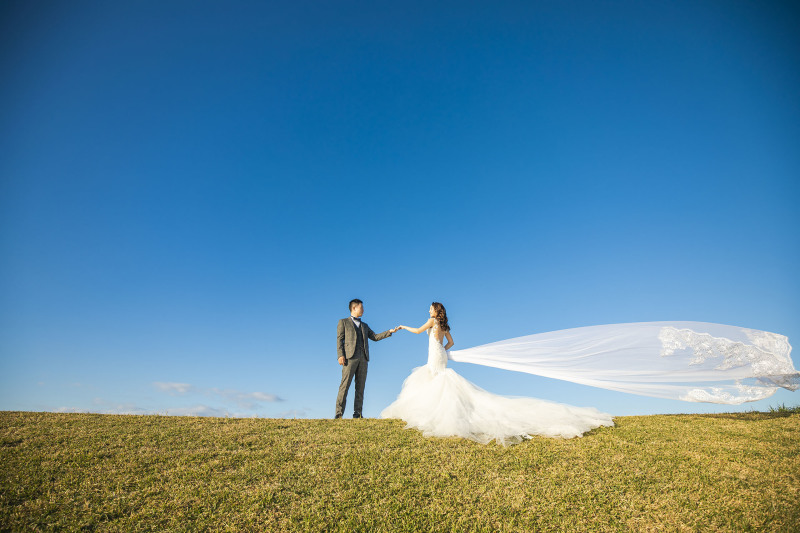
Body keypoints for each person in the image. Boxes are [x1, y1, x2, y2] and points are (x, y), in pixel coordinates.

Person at [381, 302, 614, 444]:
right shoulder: (444, 327)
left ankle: (430, 413)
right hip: (440, 354)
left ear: (435, 311)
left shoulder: (431, 322)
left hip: (435, 355)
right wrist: (442, 349)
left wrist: (402, 326)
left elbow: (417, 331)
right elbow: (451, 342)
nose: (429, 310)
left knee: (431, 381)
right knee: (437, 380)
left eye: (431, 308)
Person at [335, 299, 399, 419]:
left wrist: (390, 332)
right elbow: (340, 340)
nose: (363, 310)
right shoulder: (343, 322)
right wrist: (340, 355)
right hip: (349, 358)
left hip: (363, 358)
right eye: (361, 308)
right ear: (354, 308)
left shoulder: (365, 325)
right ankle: (339, 414)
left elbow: (374, 337)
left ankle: (357, 414)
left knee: (360, 387)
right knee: (344, 386)